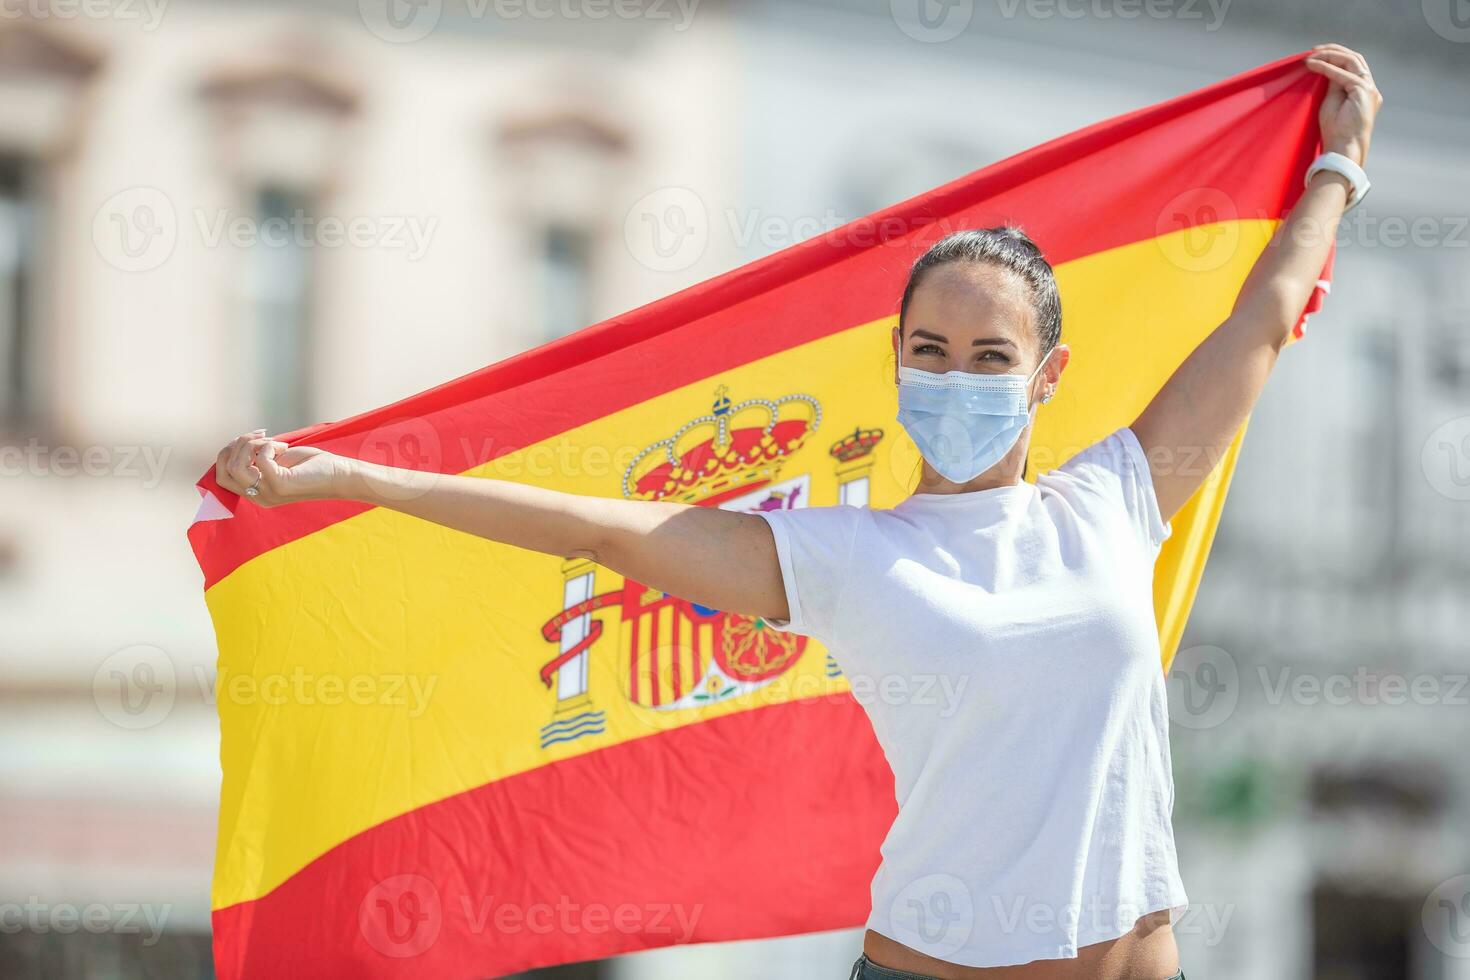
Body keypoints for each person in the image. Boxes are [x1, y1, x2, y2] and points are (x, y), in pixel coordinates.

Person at [211, 44, 1380, 980]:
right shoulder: (841, 553)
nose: (956, 376)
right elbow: (589, 526)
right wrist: (356, 477)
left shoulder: (1116, 497)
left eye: (989, 355)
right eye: (930, 350)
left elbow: (1261, 321)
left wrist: (1337, 168)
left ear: (1047, 374)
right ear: (896, 361)